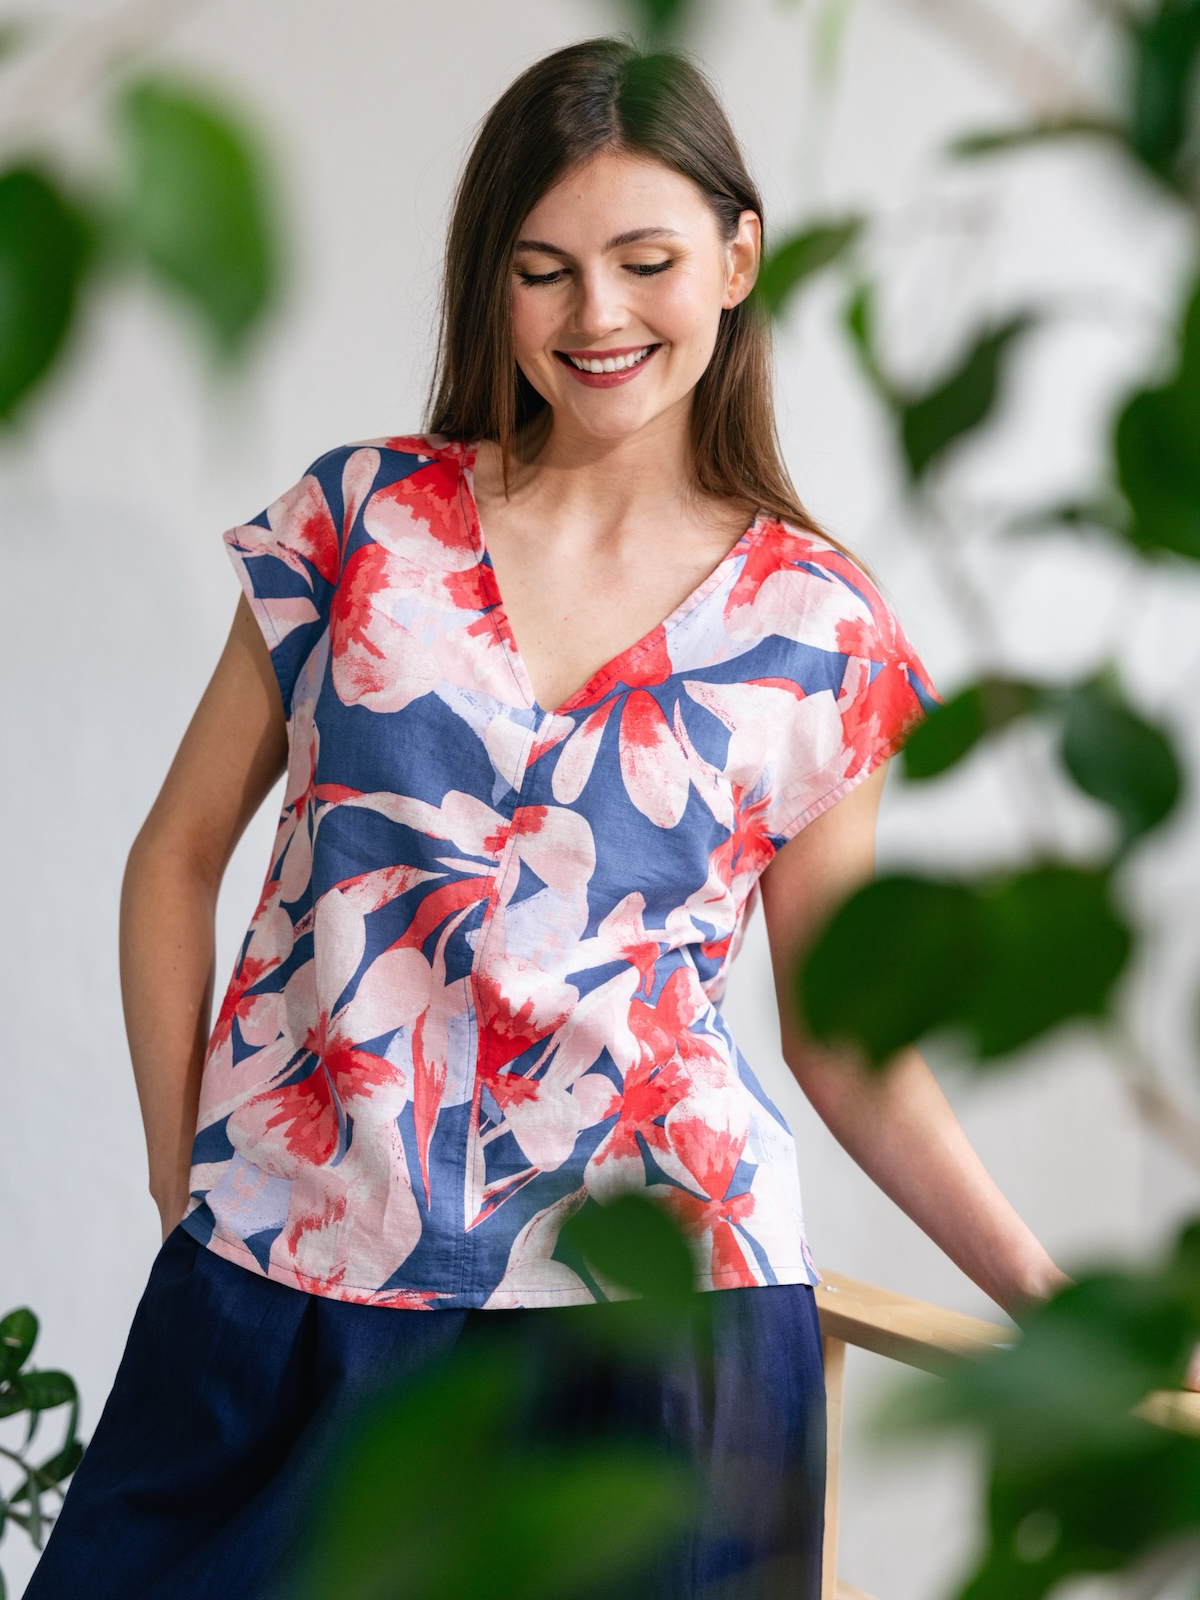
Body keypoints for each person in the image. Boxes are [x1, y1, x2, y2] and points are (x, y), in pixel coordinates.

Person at [25, 36, 1064, 1600]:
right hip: (300, 1280)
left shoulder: (819, 629)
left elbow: (843, 1039)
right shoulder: (358, 521)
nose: (597, 316)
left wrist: (1052, 1297)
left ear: (737, 259)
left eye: (647, 262)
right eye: (544, 270)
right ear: (490, 284)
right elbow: (173, 860)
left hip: (654, 1328)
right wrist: (191, 1190)